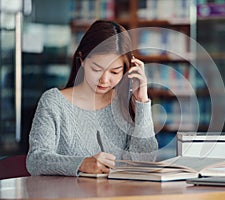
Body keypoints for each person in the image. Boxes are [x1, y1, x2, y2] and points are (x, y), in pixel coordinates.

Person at [26, 20, 158, 176]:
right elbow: (35, 160)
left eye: (114, 72)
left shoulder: (125, 103)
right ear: (82, 60)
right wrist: (81, 164)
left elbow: (146, 161)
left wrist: (142, 101)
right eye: (96, 69)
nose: (104, 80)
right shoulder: (54, 102)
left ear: (127, 71)